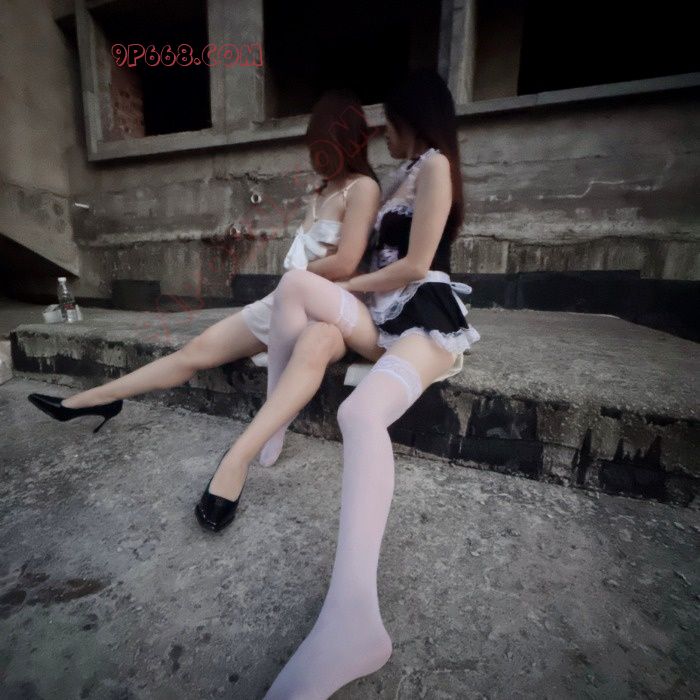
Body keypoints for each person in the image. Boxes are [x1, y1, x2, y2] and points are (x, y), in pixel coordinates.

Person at [252, 68, 481, 698]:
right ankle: (272, 422)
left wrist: (346, 286)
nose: (386, 137)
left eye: (392, 126)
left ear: (414, 120)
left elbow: (415, 264)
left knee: (359, 414)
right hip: (381, 319)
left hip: (423, 319)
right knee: (295, 285)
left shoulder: (436, 166)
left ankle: (354, 620)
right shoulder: (400, 175)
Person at [26, 90, 382, 474]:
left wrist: (300, 276)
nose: (314, 156)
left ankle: (261, 439)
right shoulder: (320, 191)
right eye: (312, 147)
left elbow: (347, 261)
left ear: (343, 140)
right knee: (195, 351)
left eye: (320, 145)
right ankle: (92, 400)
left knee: (308, 349)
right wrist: (294, 281)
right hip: (287, 299)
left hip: (328, 307)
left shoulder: (362, 187)